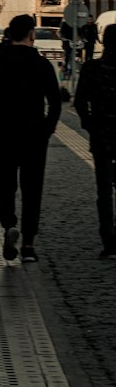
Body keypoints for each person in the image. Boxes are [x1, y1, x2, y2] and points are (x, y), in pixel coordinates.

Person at [0, 12, 61, 263]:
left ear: (9, 35)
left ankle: (8, 224)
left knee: (2, 182)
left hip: (4, 132)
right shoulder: (42, 65)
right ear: (31, 35)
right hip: (34, 134)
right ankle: (28, 243)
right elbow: (55, 102)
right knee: (32, 187)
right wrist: (47, 128)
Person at [74, 23, 116, 258]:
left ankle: (109, 241)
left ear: (102, 42)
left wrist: (89, 125)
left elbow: (80, 102)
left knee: (104, 191)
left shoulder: (92, 68)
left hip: (101, 137)